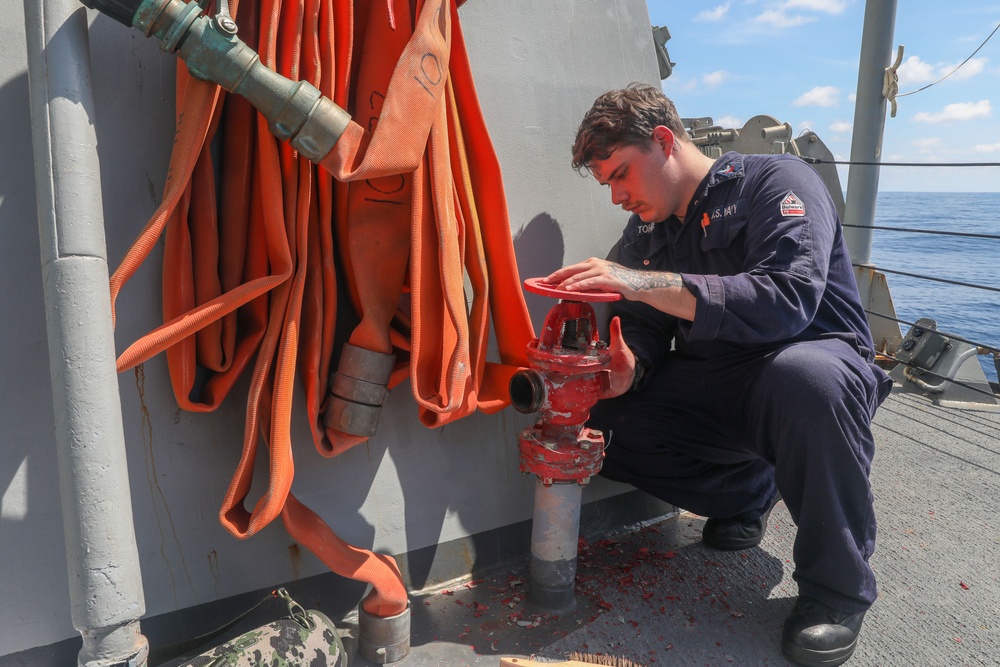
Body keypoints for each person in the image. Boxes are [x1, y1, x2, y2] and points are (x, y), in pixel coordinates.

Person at [545, 83, 893, 667]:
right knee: (599, 416)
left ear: (663, 142)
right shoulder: (649, 233)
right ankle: (748, 494)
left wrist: (638, 281)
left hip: (810, 359)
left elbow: (788, 296)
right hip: (717, 379)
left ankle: (835, 593)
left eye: (621, 174)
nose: (617, 197)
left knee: (805, 380)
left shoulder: (778, 182)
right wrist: (631, 365)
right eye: (607, 183)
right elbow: (641, 322)